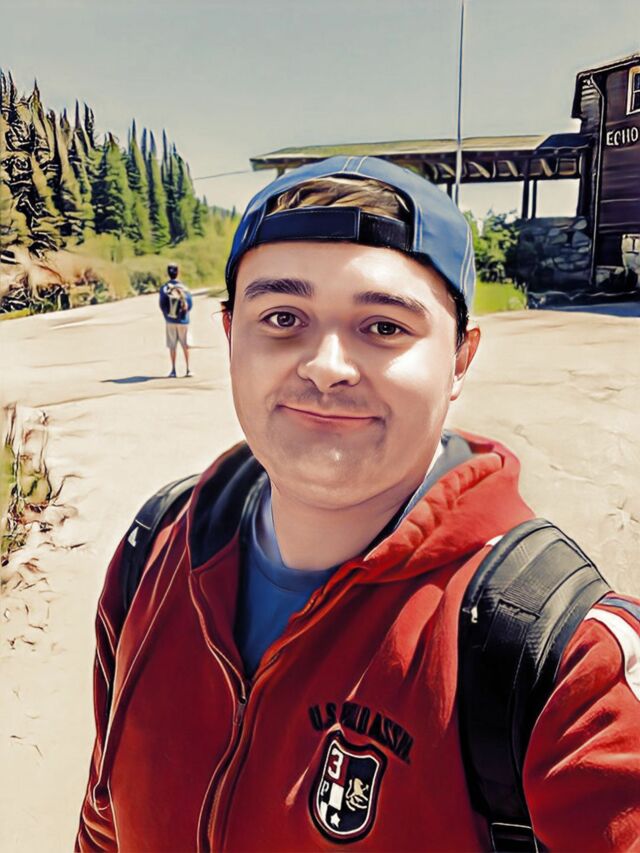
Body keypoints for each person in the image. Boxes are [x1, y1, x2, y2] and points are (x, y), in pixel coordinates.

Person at [76, 157, 640, 851]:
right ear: (230, 339)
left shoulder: (565, 656)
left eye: (383, 327)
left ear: (459, 360)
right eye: (283, 317)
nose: (326, 366)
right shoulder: (154, 550)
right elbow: (103, 820)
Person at [159, 263, 193, 377]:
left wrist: (168, 316)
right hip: (183, 320)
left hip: (170, 321)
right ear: (178, 273)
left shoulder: (165, 288)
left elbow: (162, 305)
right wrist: (183, 314)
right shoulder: (184, 288)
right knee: (185, 345)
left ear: (168, 273)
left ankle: (173, 370)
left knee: (172, 346)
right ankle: (188, 369)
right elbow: (190, 304)